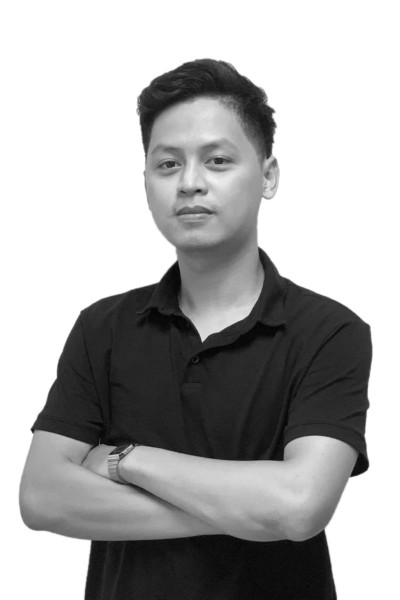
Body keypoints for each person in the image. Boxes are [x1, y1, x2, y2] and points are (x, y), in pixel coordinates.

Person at [19, 58, 373, 600]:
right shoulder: (103, 328)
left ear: (268, 176)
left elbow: (299, 507)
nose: (189, 183)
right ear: (145, 182)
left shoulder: (329, 332)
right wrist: (251, 512)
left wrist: (126, 459)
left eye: (217, 160)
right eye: (167, 164)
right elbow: (42, 498)